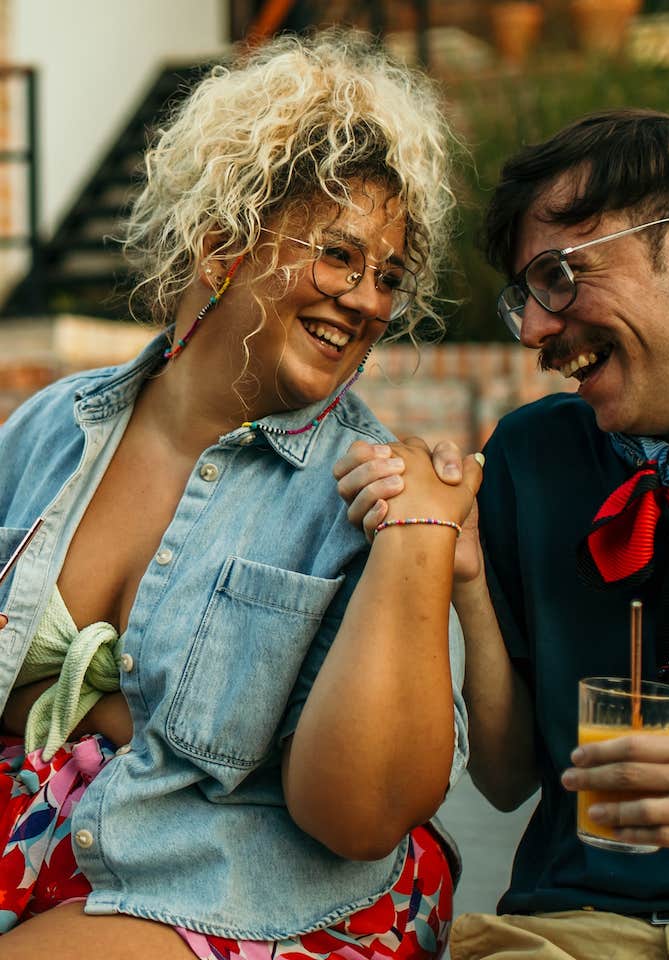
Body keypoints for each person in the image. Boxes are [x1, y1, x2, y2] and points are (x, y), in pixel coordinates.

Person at [0, 30, 481, 959]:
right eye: (340, 256)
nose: (370, 300)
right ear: (222, 244)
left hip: (250, 879)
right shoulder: (52, 430)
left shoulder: (368, 491)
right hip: (51, 828)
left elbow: (361, 813)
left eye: (388, 276)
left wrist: (418, 540)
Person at [335, 108, 669, 958]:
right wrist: (466, 581)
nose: (537, 329)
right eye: (525, 298)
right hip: (563, 936)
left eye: (562, 276)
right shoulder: (535, 458)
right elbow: (504, 781)